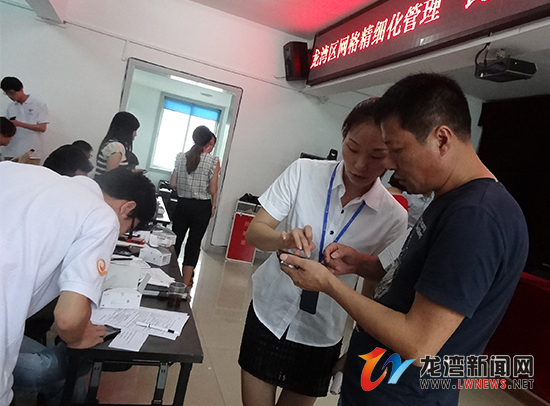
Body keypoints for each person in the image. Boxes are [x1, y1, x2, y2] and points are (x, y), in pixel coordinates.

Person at [279, 73, 529, 406]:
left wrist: (328, 285)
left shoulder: (476, 218)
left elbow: (419, 344)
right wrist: (363, 265)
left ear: (441, 139)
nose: (389, 166)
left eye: (396, 151)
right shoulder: (451, 199)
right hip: (378, 382)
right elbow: (419, 284)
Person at [238, 99, 408, 406]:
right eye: (352, 148)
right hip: (269, 313)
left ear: (392, 157)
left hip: (320, 333)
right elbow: (255, 232)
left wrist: (356, 349)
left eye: (376, 156)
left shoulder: (393, 217)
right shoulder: (303, 172)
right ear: (343, 137)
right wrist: (283, 238)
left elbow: (373, 291)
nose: (359, 164)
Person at [0, 164, 157, 405]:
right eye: (130, 229)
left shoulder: (23, 172)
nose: (121, 235)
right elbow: (68, 319)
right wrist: (78, 338)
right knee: (75, 360)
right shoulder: (102, 217)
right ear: (128, 207)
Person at [170, 126, 220, 288]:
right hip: (201, 207)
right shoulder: (213, 161)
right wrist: (214, 205)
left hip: (182, 205)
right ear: (207, 142)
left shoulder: (180, 157)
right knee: (194, 243)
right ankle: (185, 285)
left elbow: (173, 183)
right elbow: (213, 189)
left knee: (176, 240)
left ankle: (169, 278)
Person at [0, 77, 49, 161]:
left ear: (21, 89)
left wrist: (20, 124)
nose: (9, 96)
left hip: (31, 153)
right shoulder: (11, 107)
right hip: (10, 151)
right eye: (6, 93)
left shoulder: (38, 104)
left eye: (11, 93)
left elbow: (42, 128)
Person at [95, 111, 140, 176]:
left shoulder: (111, 144)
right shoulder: (116, 147)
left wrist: (132, 172)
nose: (135, 134)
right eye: (134, 130)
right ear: (126, 130)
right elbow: (111, 176)